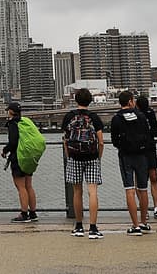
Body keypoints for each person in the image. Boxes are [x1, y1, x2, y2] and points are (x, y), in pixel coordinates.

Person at [62, 87, 104, 239]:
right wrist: (98, 157)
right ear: (90, 101)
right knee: (92, 191)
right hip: (92, 157)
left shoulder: (69, 116)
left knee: (77, 192)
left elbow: (65, 140)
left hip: (74, 157)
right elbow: (101, 142)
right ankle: (93, 228)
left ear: (76, 100)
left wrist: (69, 156)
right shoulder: (94, 117)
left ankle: (79, 226)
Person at [110, 90, 153, 235]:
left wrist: (122, 146)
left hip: (125, 156)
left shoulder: (117, 118)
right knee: (143, 189)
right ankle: (144, 222)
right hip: (142, 155)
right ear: (130, 101)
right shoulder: (141, 116)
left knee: (129, 189)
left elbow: (114, 140)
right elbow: (148, 134)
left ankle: (135, 226)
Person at [1, 101, 38, 222]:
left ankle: (24, 213)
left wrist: (5, 150)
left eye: (8, 110)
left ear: (11, 112)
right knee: (29, 186)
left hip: (18, 157)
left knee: (21, 186)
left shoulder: (13, 124)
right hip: (28, 156)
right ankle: (33, 213)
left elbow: (13, 142)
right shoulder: (25, 121)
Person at [136, 93, 157, 220]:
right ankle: (155, 208)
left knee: (140, 180)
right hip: (149, 147)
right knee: (152, 178)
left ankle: (147, 209)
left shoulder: (136, 114)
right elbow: (155, 132)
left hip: (140, 149)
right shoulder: (150, 113)